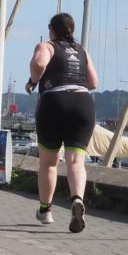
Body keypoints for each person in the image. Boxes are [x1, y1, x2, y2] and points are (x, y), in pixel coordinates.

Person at [25, 12, 99, 233]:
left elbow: (39, 64)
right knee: (76, 161)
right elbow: (93, 82)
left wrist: (33, 81)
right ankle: (77, 199)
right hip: (82, 102)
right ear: (71, 30)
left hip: (54, 101)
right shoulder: (82, 51)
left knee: (49, 162)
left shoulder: (47, 46)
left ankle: (46, 211)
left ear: (52, 30)